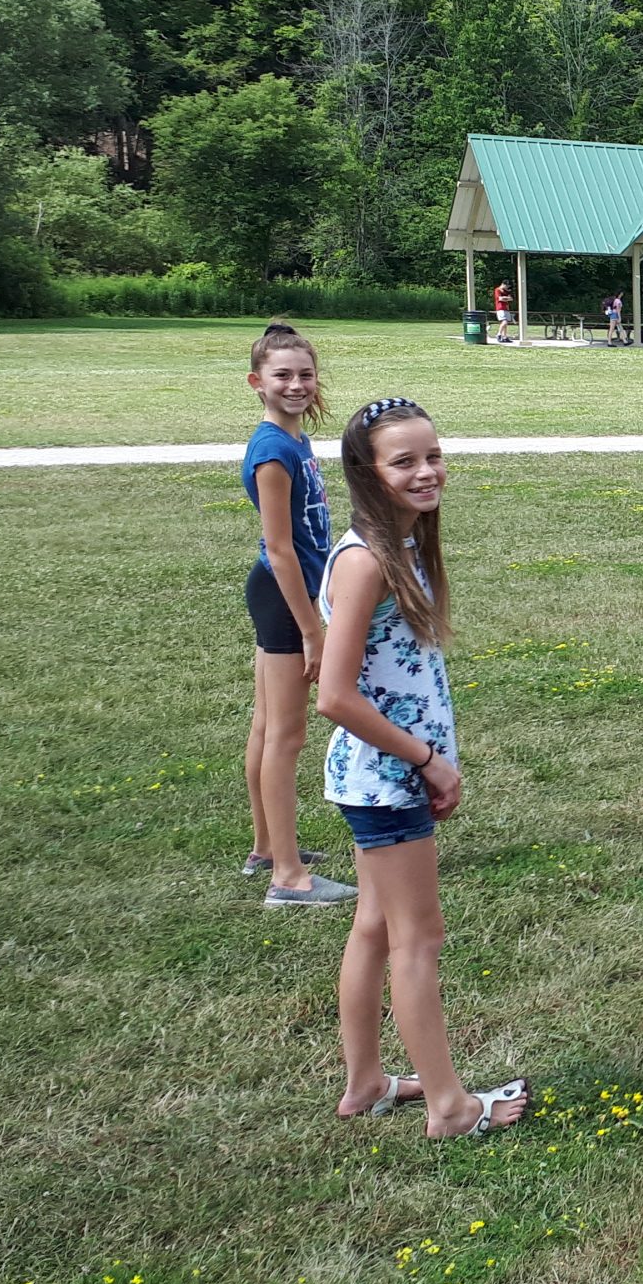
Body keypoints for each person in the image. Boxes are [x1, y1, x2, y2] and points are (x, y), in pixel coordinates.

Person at [317, 397, 530, 1137]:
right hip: (385, 781)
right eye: (403, 461)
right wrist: (429, 762)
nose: (426, 471)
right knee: (419, 939)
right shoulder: (367, 560)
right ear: (367, 474)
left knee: (375, 927)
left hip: (384, 779)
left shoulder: (400, 549)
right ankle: (450, 1106)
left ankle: (366, 1084)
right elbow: (334, 695)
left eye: (432, 455)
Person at [240, 324, 355, 907]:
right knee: (286, 735)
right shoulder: (273, 451)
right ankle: (288, 877)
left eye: (305, 374)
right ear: (257, 383)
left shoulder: (293, 441)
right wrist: (313, 628)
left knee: (267, 727)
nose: (296, 385)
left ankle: (266, 845)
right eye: (283, 375)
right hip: (287, 599)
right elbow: (280, 549)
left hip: (282, 594)